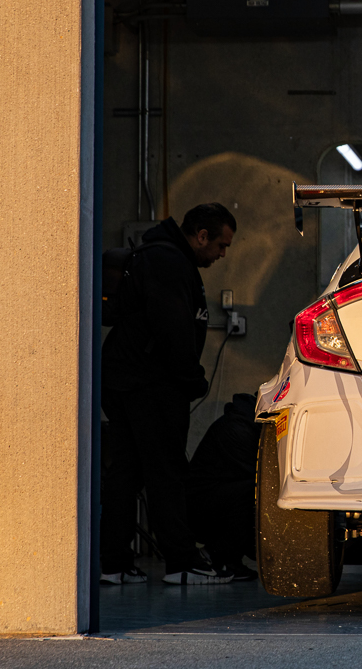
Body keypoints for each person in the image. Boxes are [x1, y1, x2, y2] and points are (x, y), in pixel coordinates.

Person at [100, 202, 237, 586]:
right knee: (167, 472)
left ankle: (112, 562)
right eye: (221, 245)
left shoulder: (157, 256)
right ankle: (182, 562)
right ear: (202, 236)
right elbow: (173, 330)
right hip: (151, 385)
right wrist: (192, 379)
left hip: (124, 380)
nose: (222, 254)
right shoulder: (170, 263)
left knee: (126, 472)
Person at [187, 393, 261, 581]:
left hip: (208, 503)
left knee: (253, 492)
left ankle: (224, 556)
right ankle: (219, 556)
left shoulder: (244, 423)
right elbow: (259, 478)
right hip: (199, 511)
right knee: (254, 493)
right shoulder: (238, 428)